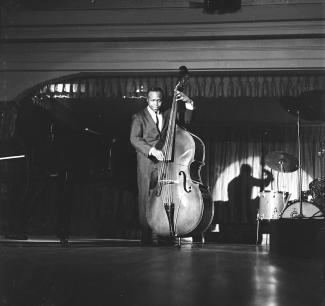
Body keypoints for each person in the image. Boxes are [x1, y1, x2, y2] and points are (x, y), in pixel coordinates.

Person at [130, 86, 194, 245]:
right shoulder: (139, 117)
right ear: (147, 100)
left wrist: (188, 102)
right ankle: (146, 235)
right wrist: (152, 150)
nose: (156, 103)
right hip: (147, 162)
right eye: (152, 100)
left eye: (159, 100)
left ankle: (164, 231)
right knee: (146, 196)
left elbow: (186, 121)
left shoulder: (167, 114)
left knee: (166, 194)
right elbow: (134, 139)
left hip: (166, 163)